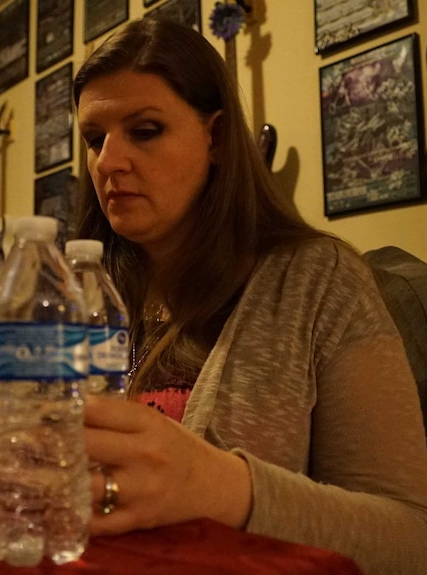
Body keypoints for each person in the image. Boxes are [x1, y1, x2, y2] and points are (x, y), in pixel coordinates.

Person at [73, 16, 427, 575]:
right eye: (94, 140)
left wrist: (222, 488)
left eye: (144, 131)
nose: (109, 163)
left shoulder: (317, 278)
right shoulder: (78, 293)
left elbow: (411, 538)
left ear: (214, 138)